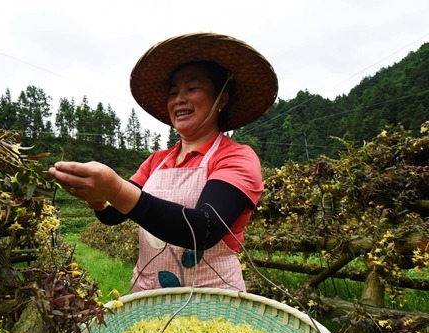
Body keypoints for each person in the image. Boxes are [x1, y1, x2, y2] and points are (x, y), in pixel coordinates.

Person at [49, 33, 277, 292]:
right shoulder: (157, 161)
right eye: (173, 92)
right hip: (149, 294)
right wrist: (98, 199)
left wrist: (115, 189)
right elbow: (115, 212)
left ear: (221, 99)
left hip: (213, 299)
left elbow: (205, 229)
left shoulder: (236, 157)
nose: (179, 99)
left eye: (192, 89)